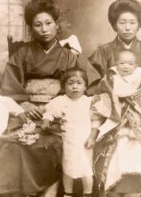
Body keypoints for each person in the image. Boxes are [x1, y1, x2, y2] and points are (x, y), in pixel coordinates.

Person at [0, 0, 100, 197]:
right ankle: (22, 192)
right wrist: (23, 103)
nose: (44, 29)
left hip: (60, 111)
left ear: (57, 25)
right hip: (27, 110)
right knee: (15, 142)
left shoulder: (69, 56)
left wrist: (59, 105)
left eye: (49, 23)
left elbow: (88, 82)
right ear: (31, 28)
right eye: (38, 25)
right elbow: (11, 83)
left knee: (54, 142)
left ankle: (51, 191)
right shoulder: (22, 53)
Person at [90, 50, 141, 197]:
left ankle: (134, 189)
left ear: (136, 65)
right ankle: (113, 187)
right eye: (122, 63)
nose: (125, 67)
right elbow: (100, 96)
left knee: (137, 154)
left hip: (139, 120)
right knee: (114, 154)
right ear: (116, 64)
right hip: (116, 120)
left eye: (130, 64)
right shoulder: (110, 77)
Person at [42, 68, 95, 197]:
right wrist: (46, 120)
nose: (74, 87)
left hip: (84, 141)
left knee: (86, 169)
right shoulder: (60, 101)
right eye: (70, 83)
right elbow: (49, 111)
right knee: (68, 168)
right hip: (69, 141)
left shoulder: (89, 102)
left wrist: (92, 137)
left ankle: (88, 193)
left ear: (85, 86)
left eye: (79, 83)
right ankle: (68, 193)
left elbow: (95, 122)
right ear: (64, 86)